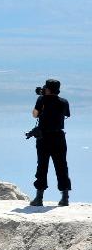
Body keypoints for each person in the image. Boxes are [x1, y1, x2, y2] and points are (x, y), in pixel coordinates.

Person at [29, 79, 72, 207]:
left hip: (44, 137)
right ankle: (65, 198)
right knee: (61, 166)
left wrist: (42, 101)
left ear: (47, 89)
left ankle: (39, 198)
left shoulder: (42, 100)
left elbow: (34, 115)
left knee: (42, 166)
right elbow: (67, 115)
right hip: (59, 137)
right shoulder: (64, 102)